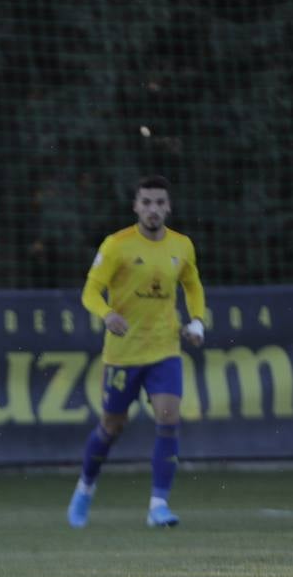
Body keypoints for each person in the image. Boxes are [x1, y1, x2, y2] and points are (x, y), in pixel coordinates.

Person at [67, 175, 206, 529]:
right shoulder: (117, 246)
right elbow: (89, 292)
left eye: (160, 202)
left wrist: (197, 322)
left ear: (168, 206)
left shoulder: (182, 246)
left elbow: (192, 285)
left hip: (164, 349)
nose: (153, 209)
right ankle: (85, 487)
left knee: (169, 418)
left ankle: (158, 505)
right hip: (123, 354)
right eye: (146, 202)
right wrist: (107, 314)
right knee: (112, 426)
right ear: (136, 206)